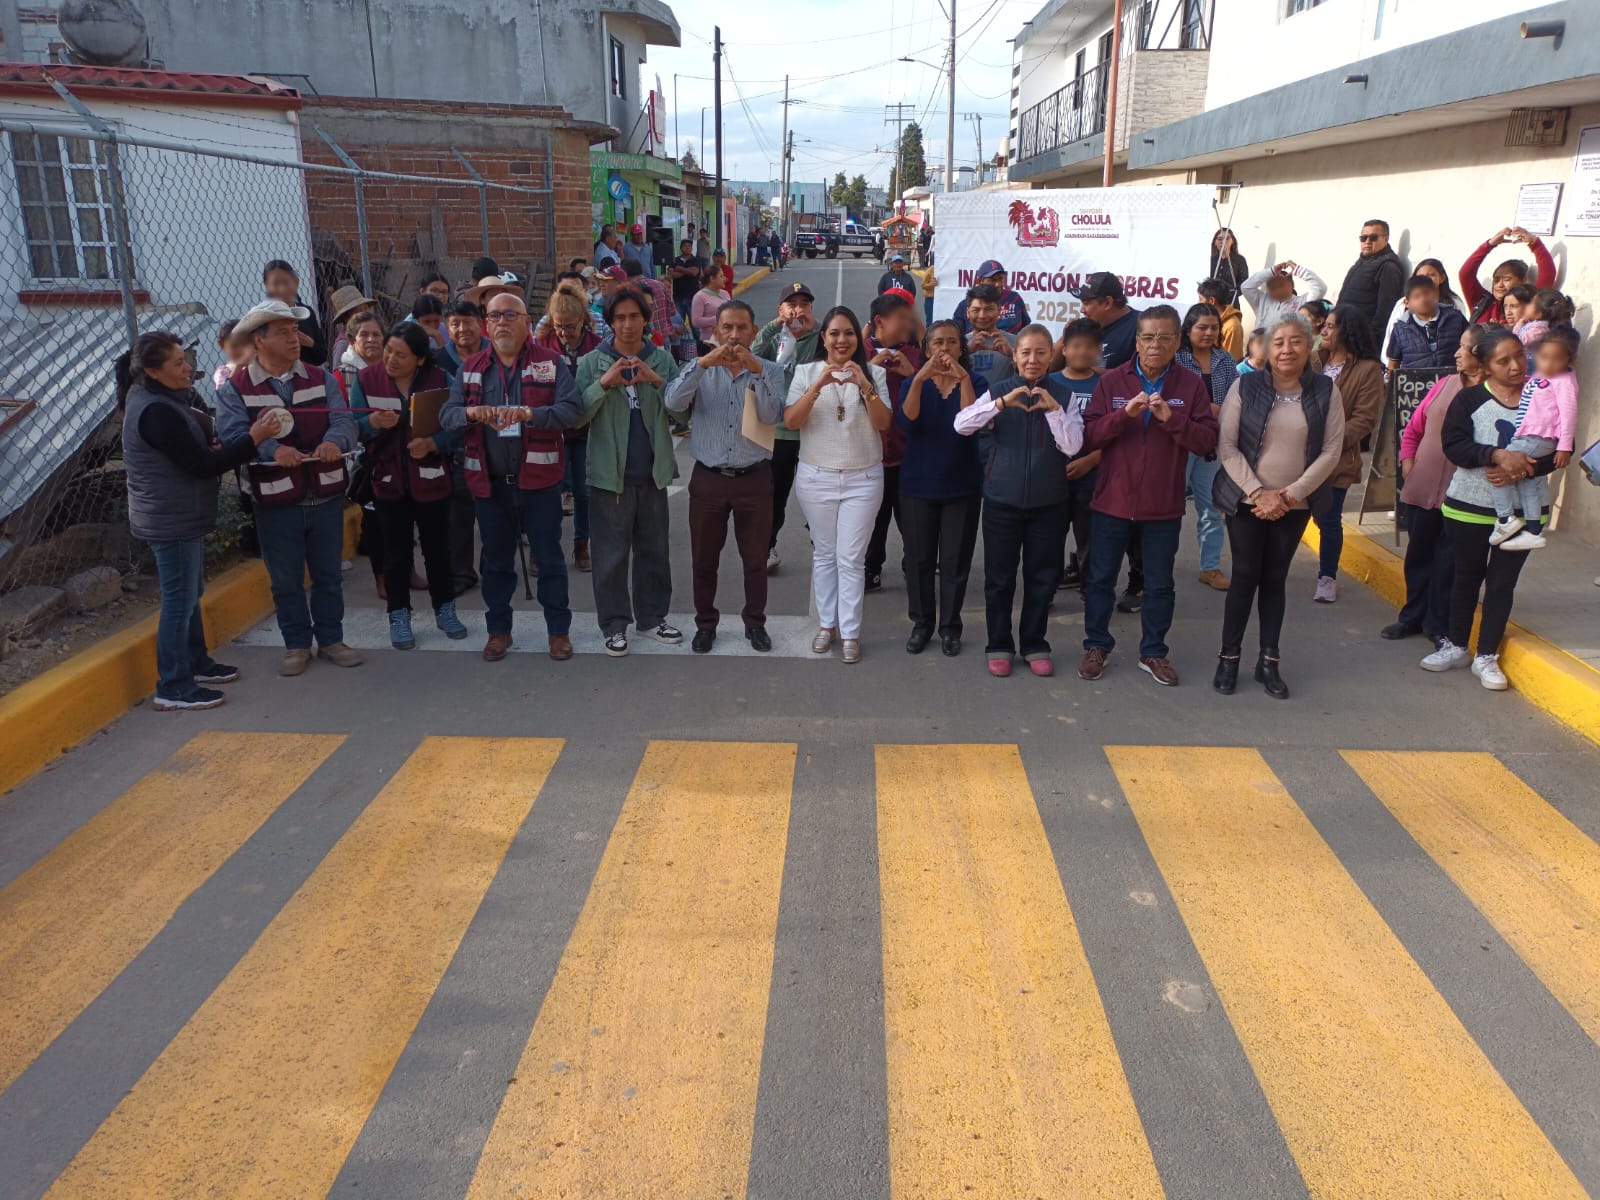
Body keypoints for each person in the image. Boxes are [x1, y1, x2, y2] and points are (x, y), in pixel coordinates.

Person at [121, 332, 280, 710]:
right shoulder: (156, 410)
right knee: (179, 601)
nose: (188, 369)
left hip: (176, 514)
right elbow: (201, 466)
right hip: (170, 518)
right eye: (178, 363)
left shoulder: (159, 400)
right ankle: (173, 686)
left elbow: (189, 453)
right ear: (152, 372)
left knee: (190, 594)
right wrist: (253, 438)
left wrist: (212, 447)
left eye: (186, 360)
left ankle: (196, 663)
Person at [216, 300, 362, 676]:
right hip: (275, 499)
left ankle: (331, 640)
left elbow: (344, 420)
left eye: (294, 330)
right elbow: (233, 435)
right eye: (282, 332)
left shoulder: (321, 377)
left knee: (328, 575)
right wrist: (273, 449)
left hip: (325, 494)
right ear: (259, 340)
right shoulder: (236, 388)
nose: (294, 338)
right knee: (285, 580)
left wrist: (335, 443)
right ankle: (296, 644)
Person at [1078, 305, 1219, 687]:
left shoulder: (1190, 385)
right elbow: (1089, 436)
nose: (1155, 344)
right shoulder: (1113, 381)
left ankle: (1153, 651)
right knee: (1100, 580)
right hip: (1113, 501)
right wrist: (1123, 416)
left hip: (1163, 505)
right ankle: (1096, 645)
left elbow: (1207, 441)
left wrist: (1173, 420)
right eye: (1148, 337)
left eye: (1164, 337)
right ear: (1137, 341)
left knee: (1159, 584)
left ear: (1177, 342)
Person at [440, 290, 584, 662]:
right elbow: (447, 415)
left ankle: (558, 632)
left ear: (526, 323)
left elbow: (572, 410)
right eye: (494, 316)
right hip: (490, 486)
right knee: (496, 562)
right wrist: (471, 414)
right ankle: (498, 631)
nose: (501, 322)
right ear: (486, 325)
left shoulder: (550, 363)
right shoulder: (471, 368)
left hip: (540, 483)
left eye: (510, 315)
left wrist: (530, 414)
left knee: (549, 559)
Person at [1212, 313, 1345, 699]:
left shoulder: (1325, 390)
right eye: (1279, 342)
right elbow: (1227, 446)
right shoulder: (1245, 385)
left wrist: (1288, 496)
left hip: (1294, 505)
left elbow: (1331, 451)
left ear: (1309, 346)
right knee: (1245, 575)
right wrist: (1259, 493)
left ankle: (1268, 662)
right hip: (1246, 500)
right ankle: (1228, 658)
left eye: (1296, 341)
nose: (1287, 349)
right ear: (1267, 349)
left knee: (1274, 578)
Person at [1422, 327, 1555, 690]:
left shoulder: (1543, 397)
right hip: (1469, 507)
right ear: (1484, 366)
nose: (1516, 366)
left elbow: (1562, 447)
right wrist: (1495, 455)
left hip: (1525, 514)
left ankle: (1486, 656)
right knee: (1465, 577)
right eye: (1503, 361)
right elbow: (1454, 445)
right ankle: (1457, 645)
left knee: (1501, 583)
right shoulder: (1468, 400)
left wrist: (1524, 467)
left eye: (1519, 356)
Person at [955, 325, 1085, 677]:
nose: (1032, 360)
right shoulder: (998, 390)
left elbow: (1073, 446)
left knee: (1042, 577)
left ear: (1051, 356)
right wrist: (1000, 404)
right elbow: (961, 425)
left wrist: (1054, 410)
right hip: (1002, 500)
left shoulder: (1064, 396)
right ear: (1014, 355)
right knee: (999, 579)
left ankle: (1034, 643)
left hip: (1049, 503)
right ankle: (998, 643)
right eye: (1025, 352)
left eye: (1041, 353)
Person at [663, 300, 786, 652]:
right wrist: (703, 364)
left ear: (753, 331)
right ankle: (706, 623)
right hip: (709, 478)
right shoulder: (700, 368)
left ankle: (755, 623)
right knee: (704, 559)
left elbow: (772, 415)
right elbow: (673, 403)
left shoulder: (770, 370)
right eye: (727, 328)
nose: (734, 335)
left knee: (755, 559)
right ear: (715, 331)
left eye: (741, 328)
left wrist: (757, 372)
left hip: (754, 477)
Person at [573, 288, 683, 656]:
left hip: (652, 474)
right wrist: (604, 383)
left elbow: (682, 413)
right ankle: (614, 625)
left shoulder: (662, 359)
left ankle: (652, 618)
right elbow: (576, 416)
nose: (627, 324)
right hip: (609, 477)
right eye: (619, 317)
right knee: (610, 556)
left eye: (634, 316)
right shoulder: (592, 362)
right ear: (610, 322)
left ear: (646, 320)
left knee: (654, 552)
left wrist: (655, 380)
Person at [783, 306, 892, 664]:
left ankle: (851, 632)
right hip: (817, 476)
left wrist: (865, 386)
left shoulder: (874, 373)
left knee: (851, 559)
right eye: (834, 333)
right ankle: (826, 625)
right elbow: (792, 420)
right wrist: (818, 386)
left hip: (863, 478)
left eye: (848, 333)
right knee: (824, 554)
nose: (841, 340)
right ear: (823, 338)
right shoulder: (805, 372)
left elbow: (883, 423)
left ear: (857, 338)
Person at [350, 322, 468, 649]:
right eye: (388, 351)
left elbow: (459, 426)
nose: (391, 359)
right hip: (387, 482)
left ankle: (445, 610)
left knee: (438, 551)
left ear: (419, 359)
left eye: (401, 355)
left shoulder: (440, 380)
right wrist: (372, 423)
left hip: (431, 480)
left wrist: (433, 444)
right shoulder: (366, 379)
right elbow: (352, 427)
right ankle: (399, 615)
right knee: (395, 555)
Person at [1383, 326, 1485, 646]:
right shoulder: (1444, 385)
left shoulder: (1492, 396)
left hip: (1461, 495)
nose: (1456, 353)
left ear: (1482, 354)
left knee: (1447, 563)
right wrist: (1408, 463)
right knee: (1418, 556)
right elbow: (1414, 428)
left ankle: (1437, 624)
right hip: (1423, 486)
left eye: (1464, 347)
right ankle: (1411, 617)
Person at [898, 320, 984, 656]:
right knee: (918, 560)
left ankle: (950, 627)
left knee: (954, 561)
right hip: (918, 485)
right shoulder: (912, 382)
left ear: (962, 348)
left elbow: (970, 423)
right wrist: (920, 378)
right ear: (926, 348)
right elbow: (907, 421)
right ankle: (921, 624)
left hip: (962, 486)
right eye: (937, 342)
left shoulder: (977, 381)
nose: (944, 349)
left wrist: (962, 379)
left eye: (951, 342)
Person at [1073, 272, 1144, 611]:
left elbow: (1139, 379)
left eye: (1088, 302)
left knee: (1132, 519)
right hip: (1098, 432)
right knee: (1093, 521)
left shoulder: (1136, 329)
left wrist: (1098, 373)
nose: (1082, 308)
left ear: (1108, 302)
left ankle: (1139, 582)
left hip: (1130, 437)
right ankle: (1084, 571)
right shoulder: (1093, 328)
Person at [1311, 304, 1385, 602]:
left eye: (1330, 326)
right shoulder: (1314, 360)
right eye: (1324, 325)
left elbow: (1365, 419)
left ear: (1347, 332)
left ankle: (1327, 576)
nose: (1324, 331)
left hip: (1337, 458)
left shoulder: (1368, 369)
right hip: (1297, 455)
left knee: (1328, 519)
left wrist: (1329, 442)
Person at [752, 281, 823, 573]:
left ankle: (824, 545)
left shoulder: (819, 337)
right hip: (779, 431)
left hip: (813, 430)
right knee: (775, 494)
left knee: (819, 496)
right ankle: (767, 545)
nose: (798, 310)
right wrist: (774, 325)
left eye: (804, 304)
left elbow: (837, 351)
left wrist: (815, 328)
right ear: (780, 308)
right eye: (791, 304)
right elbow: (752, 356)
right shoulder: (773, 338)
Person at [1488, 325, 1579, 552]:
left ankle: (1505, 519)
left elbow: (1569, 416)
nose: (1548, 364)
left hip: (1538, 438)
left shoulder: (1565, 382)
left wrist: (1564, 447)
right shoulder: (1540, 376)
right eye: (1544, 357)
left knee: (1499, 468)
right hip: (1530, 436)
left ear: (1569, 359)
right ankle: (1534, 531)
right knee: (1528, 480)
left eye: (1556, 359)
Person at [535, 283, 604, 573]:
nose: (564, 333)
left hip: (585, 431)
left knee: (584, 493)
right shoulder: (542, 345)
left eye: (570, 327)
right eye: (559, 326)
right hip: (552, 432)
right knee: (550, 493)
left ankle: (581, 544)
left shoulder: (596, 345)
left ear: (583, 320)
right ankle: (542, 548)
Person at [1174, 303, 1240, 591]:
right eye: (1202, 327)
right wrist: (1202, 410)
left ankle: (1209, 567)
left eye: (1214, 327)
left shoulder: (1224, 359)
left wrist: (1221, 411)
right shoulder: (1176, 359)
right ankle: (1160, 564)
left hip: (1214, 443)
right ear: (1188, 329)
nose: (1209, 332)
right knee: (1170, 507)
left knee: (1212, 508)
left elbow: (1237, 396)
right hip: (1181, 442)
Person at [863, 293, 923, 592]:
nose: (908, 324)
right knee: (873, 521)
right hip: (869, 457)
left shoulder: (915, 355)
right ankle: (870, 569)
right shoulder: (858, 355)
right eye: (902, 318)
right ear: (880, 321)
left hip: (908, 457)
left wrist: (913, 375)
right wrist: (869, 370)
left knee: (912, 522)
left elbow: (931, 398)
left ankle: (915, 567)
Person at [1050, 318, 1103, 591]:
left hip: (1092, 478)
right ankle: (1046, 591)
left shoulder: (1106, 384)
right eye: (1076, 346)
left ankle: (1090, 591)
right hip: (1053, 478)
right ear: (1064, 350)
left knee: (1090, 539)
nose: (1083, 351)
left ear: (1099, 351)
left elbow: (1117, 432)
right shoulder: (1050, 383)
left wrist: (1091, 460)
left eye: (1090, 346)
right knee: (1049, 539)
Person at [440, 300, 485, 596]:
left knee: (495, 517)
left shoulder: (496, 352)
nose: (462, 329)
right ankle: (461, 573)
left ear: (480, 323)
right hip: (455, 450)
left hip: (493, 448)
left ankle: (494, 569)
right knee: (458, 519)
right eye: (455, 324)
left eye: (467, 322)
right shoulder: (438, 360)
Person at [1459, 226, 1557, 324]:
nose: (1499, 285)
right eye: (1496, 280)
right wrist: (1489, 244)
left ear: (1523, 280)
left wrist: (1535, 244)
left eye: (1506, 279)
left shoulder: (1531, 304)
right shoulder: (1482, 303)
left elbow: (1548, 274)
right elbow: (1465, 274)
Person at [1337, 218, 1406, 347]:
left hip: (1362, 340)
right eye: (1363, 238)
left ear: (1386, 239)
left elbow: (1385, 310)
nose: (1367, 241)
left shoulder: (1388, 266)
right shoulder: (1362, 262)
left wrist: (1370, 339)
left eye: (1373, 237)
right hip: (1344, 333)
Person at [1380, 258, 1463, 356]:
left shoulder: (1454, 303)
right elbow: (1390, 337)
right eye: (1420, 276)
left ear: (1442, 278)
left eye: (1431, 275)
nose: (1425, 279)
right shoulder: (1403, 304)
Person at [1385, 274, 1468, 371]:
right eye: (1417, 296)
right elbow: (1393, 364)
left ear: (1436, 295)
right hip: (1414, 380)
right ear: (1407, 303)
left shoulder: (1455, 318)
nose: (1423, 299)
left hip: (1452, 378)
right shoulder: (1400, 328)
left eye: (1427, 293)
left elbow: (1470, 347)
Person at [261, 259, 327, 366]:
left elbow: (322, 356)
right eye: (275, 284)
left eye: (286, 282)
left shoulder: (307, 313)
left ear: (296, 282)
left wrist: (311, 344)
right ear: (267, 286)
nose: (282, 289)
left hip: (307, 374)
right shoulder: (264, 318)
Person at [1072, 272, 1139, 368]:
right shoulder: (1085, 325)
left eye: (1086, 303)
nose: (1082, 310)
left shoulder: (1141, 326)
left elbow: (1141, 374)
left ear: (1107, 302)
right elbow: (1051, 367)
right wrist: (1065, 338)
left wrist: (1084, 372)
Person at [1240, 260, 1327, 332]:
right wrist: (1271, 271)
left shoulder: (1302, 302)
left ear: (1292, 285)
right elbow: (1245, 287)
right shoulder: (1262, 300)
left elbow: (1320, 288)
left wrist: (1299, 270)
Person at [950, 260, 1030, 334]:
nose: (998, 284)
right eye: (992, 280)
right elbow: (956, 334)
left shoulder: (1014, 298)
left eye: (1000, 279)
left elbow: (1025, 328)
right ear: (980, 281)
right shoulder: (966, 304)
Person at [963, 283, 1017, 384]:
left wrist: (1012, 354)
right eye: (976, 310)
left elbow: (1032, 376)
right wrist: (965, 351)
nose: (982, 316)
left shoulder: (1016, 342)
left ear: (999, 310)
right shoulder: (958, 343)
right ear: (968, 312)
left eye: (989, 309)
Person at [622, 257, 676, 349]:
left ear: (625, 274)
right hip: (664, 337)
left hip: (645, 340)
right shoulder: (660, 285)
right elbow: (672, 311)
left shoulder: (629, 291)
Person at [325, 284, 376, 369]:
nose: (365, 314)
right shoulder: (343, 344)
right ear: (347, 318)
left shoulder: (372, 333)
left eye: (365, 308)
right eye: (358, 311)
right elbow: (338, 374)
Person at [1196, 278, 1245, 361]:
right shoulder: (1206, 318)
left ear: (1211, 301)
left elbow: (1231, 361)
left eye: (1201, 299)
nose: (1198, 302)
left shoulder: (1232, 327)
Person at [668, 238, 706, 329]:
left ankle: (698, 339)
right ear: (681, 248)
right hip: (678, 297)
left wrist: (680, 269)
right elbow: (671, 274)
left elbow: (694, 272)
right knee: (679, 324)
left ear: (692, 248)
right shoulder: (675, 260)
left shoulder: (696, 260)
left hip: (693, 297)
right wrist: (688, 271)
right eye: (685, 246)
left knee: (695, 326)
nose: (687, 248)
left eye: (689, 246)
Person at [690, 266, 731, 348]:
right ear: (712, 278)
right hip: (708, 342)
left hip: (726, 340)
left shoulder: (725, 294)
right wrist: (718, 319)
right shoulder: (700, 296)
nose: (724, 279)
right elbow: (696, 321)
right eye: (721, 276)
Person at [1208, 228, 1249, 308]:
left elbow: (1244, 283)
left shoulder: (1239, 260)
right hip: (1212, 304)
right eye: (1220, 239)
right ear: (1215, 242)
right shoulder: (1210, 260)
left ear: (1232, 241)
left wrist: (1230, 293)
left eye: (1227, 238)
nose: (1223, 241)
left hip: (1231, 304)